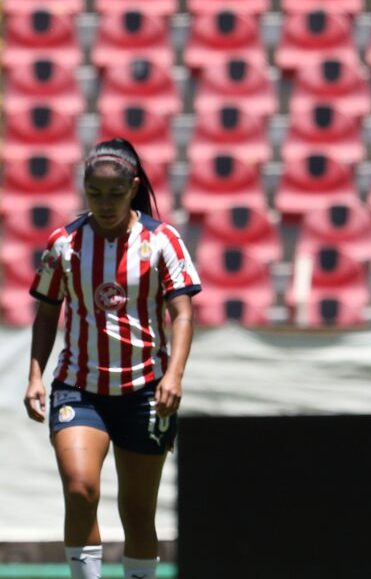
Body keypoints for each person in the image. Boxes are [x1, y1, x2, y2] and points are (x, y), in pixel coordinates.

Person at [22, 138, 201, 579]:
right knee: (81, 489)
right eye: (95, 193)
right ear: (84, 188)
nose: (104, 204)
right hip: (79, 388)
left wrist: (174, 376)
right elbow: (47, 315)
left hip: (145, 392)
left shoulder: (163, 241)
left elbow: (182, 314)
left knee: (138, 511)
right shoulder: (63, 244)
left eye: (115, 194)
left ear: (133, 187)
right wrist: (35, 376)